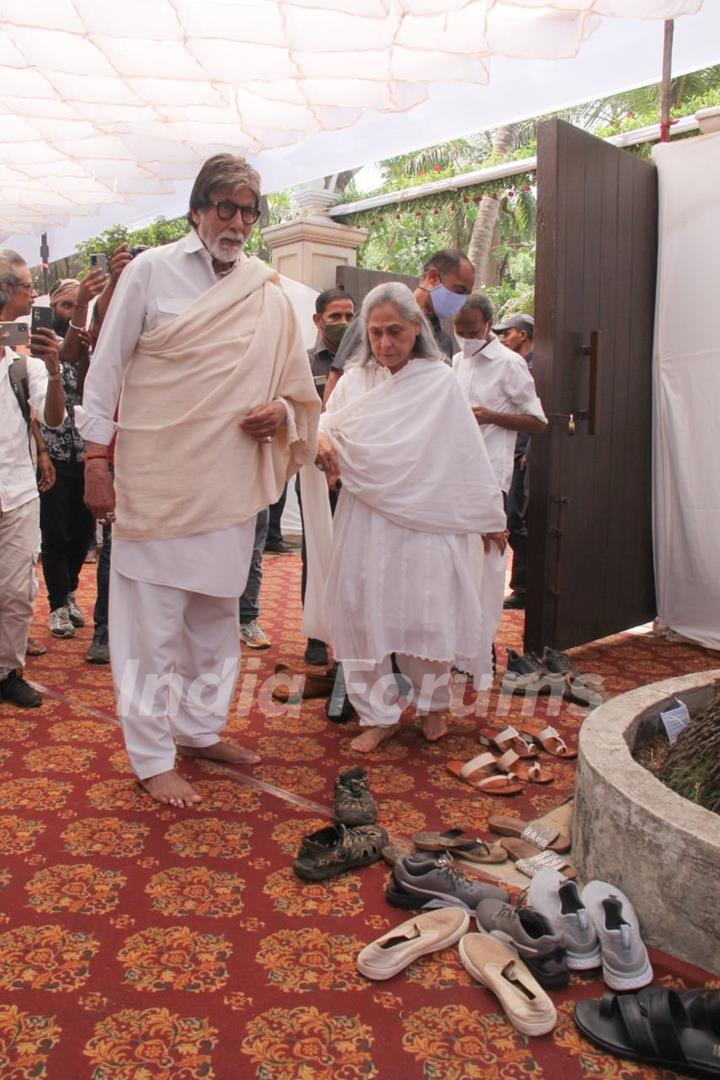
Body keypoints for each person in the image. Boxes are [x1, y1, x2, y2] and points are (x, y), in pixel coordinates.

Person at [76, 153, 320, 808]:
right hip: (157, 480)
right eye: (226, 208)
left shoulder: (266, 292)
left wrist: (282, 411)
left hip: (229, 487)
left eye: (248, 210)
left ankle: (200, 729)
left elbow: (299, 394)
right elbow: (105, 373)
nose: (238, 221)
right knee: (149, 630)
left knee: (216, 623)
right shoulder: (152, 272)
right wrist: (95, 461)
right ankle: (152, 757)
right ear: (197, 211)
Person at [310, 282, 506, 753]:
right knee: (363, 610)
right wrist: (322, 442)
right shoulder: (355, 381)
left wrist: (487, 515)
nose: (384, 344)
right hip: (365, 518)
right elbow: (324, 423)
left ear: (416, 329)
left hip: (424, 519)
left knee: (424, 610)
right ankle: (377, 715)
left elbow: (464, 452)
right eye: (375, 334)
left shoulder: (437, 380)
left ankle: (434, 707)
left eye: (394, 332)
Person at [452, 300, 546, 637]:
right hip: (455, 473)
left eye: (473, 332)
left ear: (489, 324)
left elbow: (537, 421)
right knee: (457, 561)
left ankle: (483, 643)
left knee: (487, 562)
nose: (466, 339)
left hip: (491, 475)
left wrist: (492, 416)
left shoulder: (511, 364)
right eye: (459, 332)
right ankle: (458, 636)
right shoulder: (457, 361)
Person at [0, 250, 65, 707]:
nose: (32, 295)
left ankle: (7, 670)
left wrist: (57, 370)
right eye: (26, 287)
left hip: (18, 489)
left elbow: (55, 419)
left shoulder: (28, 365)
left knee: (18, 588)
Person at [39, 274, 106, 639]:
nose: (70, 312)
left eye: (75, 304)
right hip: (53, 451)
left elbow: (89, 391)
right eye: (65, 305)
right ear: (53, 309)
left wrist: (84, 357)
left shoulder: (88, 346)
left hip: (86, 451)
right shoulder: (38, 344)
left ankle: (70, 591)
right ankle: (56, 605)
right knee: (55, 533)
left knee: (82, 535)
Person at [322, 248, 474, 402]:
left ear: (416, 326)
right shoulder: (376, 319)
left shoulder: (443, 343)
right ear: (433, 278)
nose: (385, 343)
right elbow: (337, 379)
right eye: (459, 291)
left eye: (467, 294)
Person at [301, 287, 355, 667]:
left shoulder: (366, 362)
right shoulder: (304, 363)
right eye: (334, 317)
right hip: (316, 471)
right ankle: (317, 636)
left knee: (356, 550)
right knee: (317, 548)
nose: (343, 324)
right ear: (318, 321)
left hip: (356, 472)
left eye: (349, 316)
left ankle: (354, 629)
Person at [492, 313, 539, 609]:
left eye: (506, 333)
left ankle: (527, 584)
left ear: (522, 334)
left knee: (517, 519)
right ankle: (524, 584)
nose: (502, 339)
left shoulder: (533, 367)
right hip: (513, 453)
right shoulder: (512, 364)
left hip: (524, 453)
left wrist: (527, 451)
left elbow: (536, 415)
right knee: (515, 519)